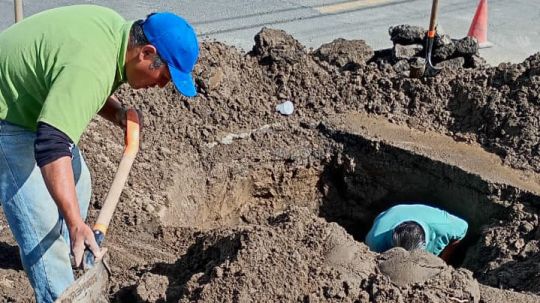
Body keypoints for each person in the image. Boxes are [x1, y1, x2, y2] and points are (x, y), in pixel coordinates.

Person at [0, 5, 199, 302]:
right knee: (41, 225)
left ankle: (74, 248)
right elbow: (51, 145)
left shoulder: (116, 36)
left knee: (80, 183)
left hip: (32, 104)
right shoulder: (93, 65)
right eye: (164, 76)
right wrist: (75, 222)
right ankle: (59, 284)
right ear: (146, 53)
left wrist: (118, 113)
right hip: (7, 115)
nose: (161, 86)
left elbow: (70, 79)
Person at [365, 204, 468, 261]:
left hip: (428, 216)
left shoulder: (445, 226)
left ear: (424, 245)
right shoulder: (375, 242)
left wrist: (445, 260)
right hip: (392, 214)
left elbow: (463, 227)